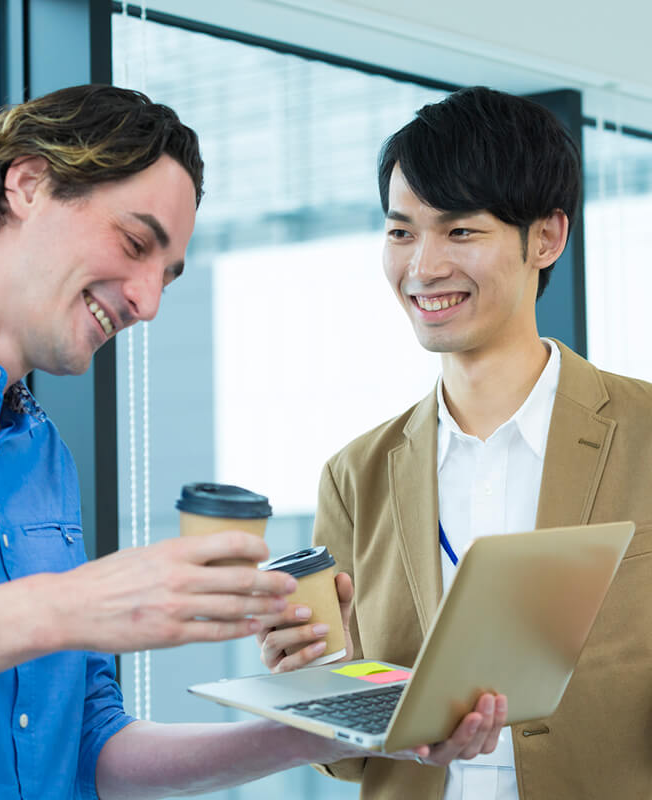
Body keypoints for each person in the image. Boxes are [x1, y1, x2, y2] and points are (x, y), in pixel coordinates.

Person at [0, 84, 504, 800]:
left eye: (166, 275)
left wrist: (346, 726)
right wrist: (64, 607)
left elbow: (95, 750)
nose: (148, 301)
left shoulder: (41, 456)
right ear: (29, 183)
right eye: (135, 244)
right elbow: (50, 615)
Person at [258, 86, 652, 800]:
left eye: (460, 232)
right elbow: (346, 760)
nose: (423, 267)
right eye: (402, 231)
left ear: (547, 238)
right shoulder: (356, 475)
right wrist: (316, 683)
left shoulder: (646, 433)